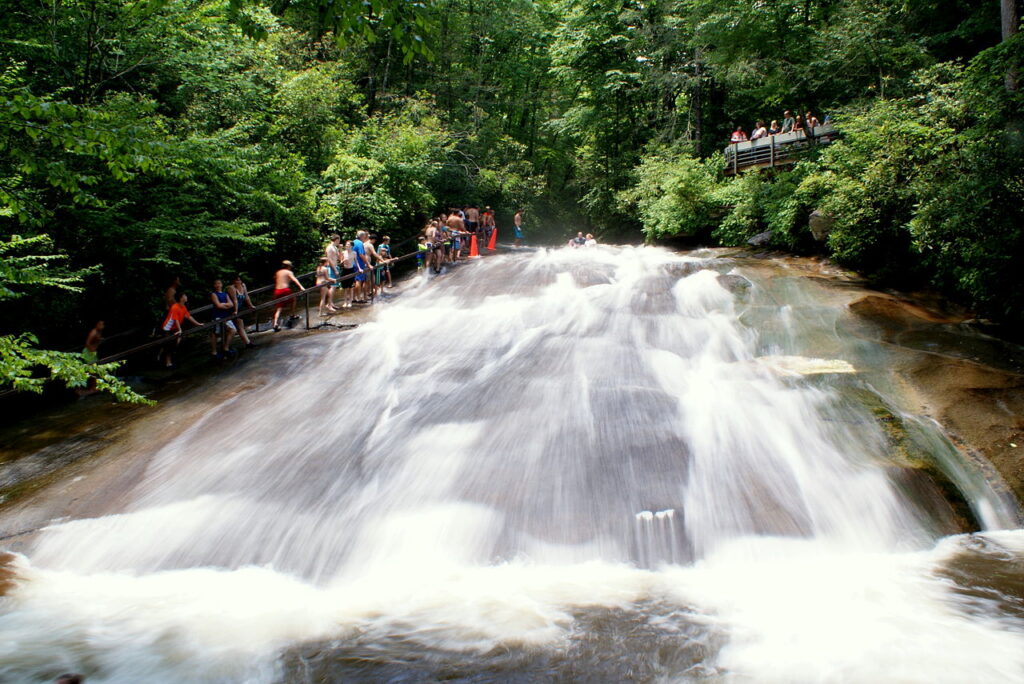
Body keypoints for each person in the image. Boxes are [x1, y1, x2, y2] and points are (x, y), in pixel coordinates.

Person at [161, 291, 201, 368]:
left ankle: (172, 359)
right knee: (169, 345)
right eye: (185, 296)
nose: (186, 297)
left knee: (176, 342)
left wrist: (197, 324)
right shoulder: (175, 307)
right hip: (167, 328)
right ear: (181, 298)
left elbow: (189, 316)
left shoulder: (183, 307)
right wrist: (180, 330)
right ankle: (168, 363)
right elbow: (175, 319)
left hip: (175, 328)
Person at [271, 261, 303, 331]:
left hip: (277, 291)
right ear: (289, 266)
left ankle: (275, 323)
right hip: (285, 290)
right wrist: (301, 287)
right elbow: (294, 279)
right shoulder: (289, 272)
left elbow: (275, 278)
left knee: (279, 308)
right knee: (293, 299)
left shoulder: (278, 272)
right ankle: (293, 315)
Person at [209, 279, 237, 359]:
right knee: (216, 333)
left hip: (225, 316)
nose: (218, 285)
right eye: (216, 284)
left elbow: (231, 304)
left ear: (221, 284)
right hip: (217, 316)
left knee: (233, 330)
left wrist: (223, 304)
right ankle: (214, 352)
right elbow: (218, 305)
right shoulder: (214, 294)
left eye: (219, 283)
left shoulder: (225, 294)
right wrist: (225, 305)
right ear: (214, 285)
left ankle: (226, 348)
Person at [226, 275, 255, 348]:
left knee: (240, 327)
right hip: (232, 309)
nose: (238, 282)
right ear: (233, 281)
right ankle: (247, 343)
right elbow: (234, 300)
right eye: (236, 280)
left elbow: (246, 297)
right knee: (239, 327)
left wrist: (251, 305)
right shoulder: (231, 288)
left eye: (239, 280)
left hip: (240, 308)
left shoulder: (243, 285)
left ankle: (247, 343)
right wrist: (235, 311)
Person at [77, 320, 104, 396]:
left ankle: (93, 387)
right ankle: (87, 388)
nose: (102, 326)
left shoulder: (99, 332)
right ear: (96, 324)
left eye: (103, 324)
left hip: (93, 353)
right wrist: (92, 350)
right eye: (100, 324)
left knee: (95, 370)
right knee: (92, 370)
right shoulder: (94, 332)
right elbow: (87, 343)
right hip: (88, 353)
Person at [352, 232, 369, 303]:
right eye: (365, 236)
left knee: (354, 281)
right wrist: (368, 264)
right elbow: (361, 255)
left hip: (352, 264)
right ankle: (358, 298)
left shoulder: (353, 242)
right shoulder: (360, 243)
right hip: (359, 265)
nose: (365, 237)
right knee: (358, 281)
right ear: (362, 236)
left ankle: (353, 297)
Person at [325, 233, 341, 309]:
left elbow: (339, 257)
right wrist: (335, 269)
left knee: (334, 287)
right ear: (336, 239)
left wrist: (340, 249)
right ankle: (329, 304)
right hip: (331, 268)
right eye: (339, 240)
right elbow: (329, 259)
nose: (339, 241)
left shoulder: (335, 247)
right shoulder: (329, 248)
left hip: (335, 266)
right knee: (332, 286)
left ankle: (331, 303)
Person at [339, 239, 357, 307]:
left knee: (351, 287)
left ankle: (350, 302)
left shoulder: (354, 253)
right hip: (345, 270)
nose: (346, 245)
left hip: (351, 270)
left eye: (348, 244)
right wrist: (343, 259)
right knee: (345, 288)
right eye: (346, 244)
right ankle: (345, 302)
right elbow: (340, 261)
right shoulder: (344, 252)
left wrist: (360, 268)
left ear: (351, 246)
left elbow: (356, 262)